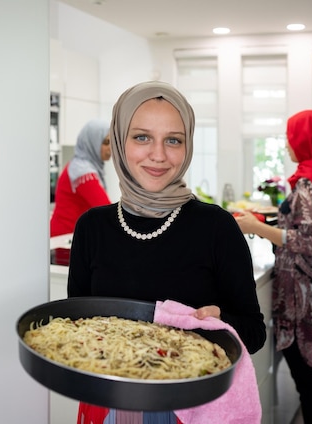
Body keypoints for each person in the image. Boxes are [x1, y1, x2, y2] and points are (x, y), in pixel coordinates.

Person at [68, 81, 266, 423]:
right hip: (105, 405)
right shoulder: (92, 227)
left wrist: (218, 323)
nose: (158, 155)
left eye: (173, 140)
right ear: (118, 141)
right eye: (142, 137)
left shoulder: (217, 228)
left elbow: (253, 332)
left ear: (187, 146)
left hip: (190, 408)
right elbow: (77, 325)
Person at [235, 110, 312, 424]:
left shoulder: (309, 183)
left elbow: (309, 241)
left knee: (311, 387)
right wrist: (266, 222)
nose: (288, 143)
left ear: (308, 140)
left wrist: (255, 226)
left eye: (292, 136)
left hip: (304, 304)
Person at [50, 119, 112, 237]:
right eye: (106, 142)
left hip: (72, 236)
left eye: (112, 142)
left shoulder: (83, 167)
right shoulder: (82, 171)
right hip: (64, 238)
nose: (110, 148)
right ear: (92, 142)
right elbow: (105, 210)